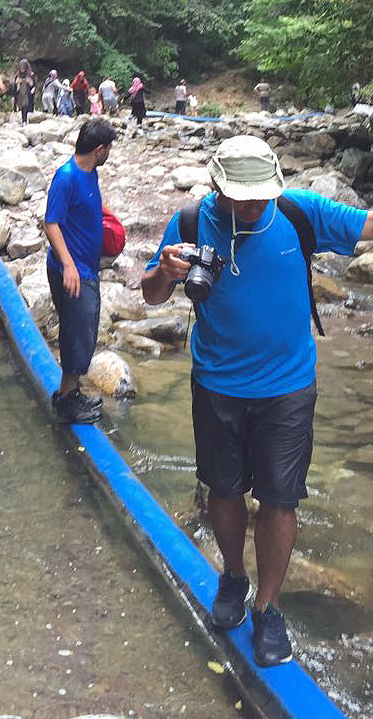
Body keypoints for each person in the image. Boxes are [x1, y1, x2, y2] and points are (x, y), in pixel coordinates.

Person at [142, 135, 373, 668]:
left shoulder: (298, 212)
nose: (250, 204)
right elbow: (150, 293)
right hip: (218, 384)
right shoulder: (192, 223)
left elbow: (366, 225)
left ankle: (268, 607)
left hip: (288, 389)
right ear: (218, 183)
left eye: (258, 194)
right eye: (239, 194)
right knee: (222, 491)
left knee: (280, 499)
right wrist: (165, 273)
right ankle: (233, 575)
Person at [43, 117, 118, 423]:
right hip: (72, 272)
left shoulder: (91, 174)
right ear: (99, 149)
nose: (109, 153)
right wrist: (69, 265)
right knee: (78, 332)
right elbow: (51, 223)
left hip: (86, 266)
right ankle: (65, 402)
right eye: (109, 148)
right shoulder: (67, 177)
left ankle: (70, 393)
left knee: (81, 332)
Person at [13, 58, 36, 125]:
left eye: (23, 66)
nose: (22, 68)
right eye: (21, 66)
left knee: (25, 105)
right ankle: (24, 120)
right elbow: (15, 85)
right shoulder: (18, 75)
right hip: (20, 93)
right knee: (22, 106)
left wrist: (33, 88)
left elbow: (34, 84)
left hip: (27, 93)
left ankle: (24, 121)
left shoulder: (31, 74)